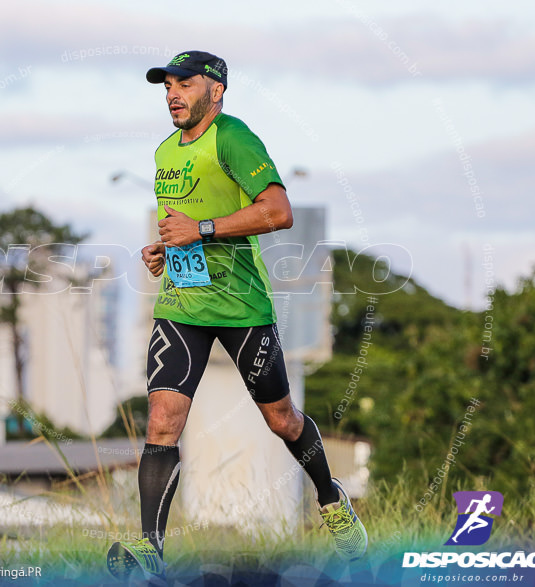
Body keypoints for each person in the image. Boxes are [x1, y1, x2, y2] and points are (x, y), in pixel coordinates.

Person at [106, 51, 368, 581]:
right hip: (182, 303)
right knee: (162, 421)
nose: (172, 94)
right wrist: (162, 252)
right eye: (167, 86)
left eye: (184, 84)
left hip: (241, 307)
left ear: (217, 90)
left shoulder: (234, 136)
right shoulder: (163, 152)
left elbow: (277, 211)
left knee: (282, 420)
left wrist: (201, 230)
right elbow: (177, 227)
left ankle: (330, 498)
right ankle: (149, 546)